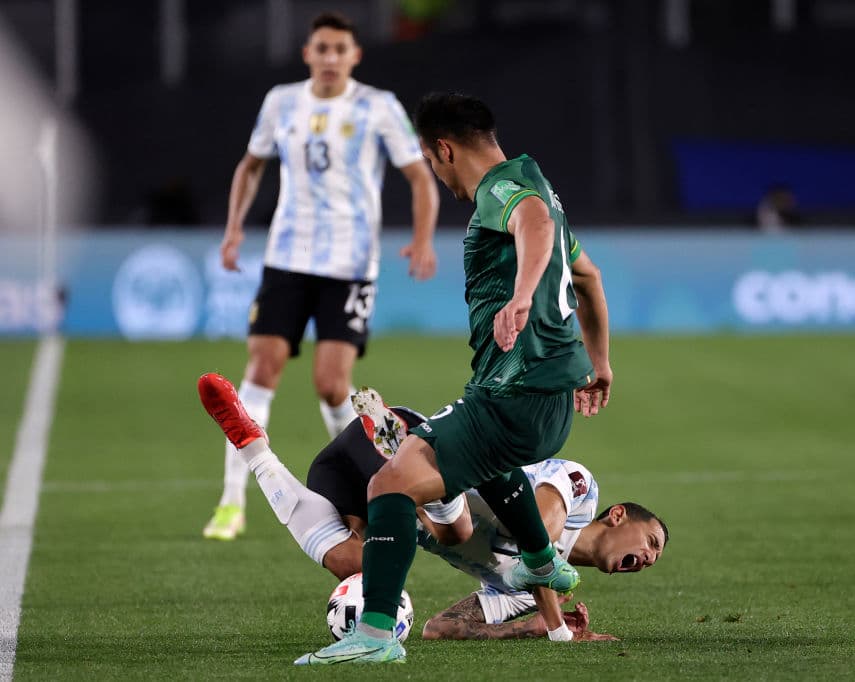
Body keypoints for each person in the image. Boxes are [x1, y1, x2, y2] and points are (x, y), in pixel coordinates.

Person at [295, 91, 614, 664]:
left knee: (390, 485)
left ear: (444, 150)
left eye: (430, 160)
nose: (437, 175)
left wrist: (521, 297)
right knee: (487, 465)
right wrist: (601, 362)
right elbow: (587, 276)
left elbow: (534, 223)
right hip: (548, 403)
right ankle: (542, 560)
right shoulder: (540, 183)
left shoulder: (502, 189)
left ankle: (374, 636)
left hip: (515, 393)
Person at [196, 374, 666, 643]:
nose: (647, 558)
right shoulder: (580, 489)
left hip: (358, 483)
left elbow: (442, 628)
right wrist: (559, 630)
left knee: (356, 566)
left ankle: (252, 448)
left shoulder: (528, 597)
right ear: (618, 515)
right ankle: (424, 487)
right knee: (457, 531)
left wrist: (530, 627)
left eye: (653, 558)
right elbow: (536, 534)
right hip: (413, 449)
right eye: (651, 542)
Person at [203, 11, 440, 542]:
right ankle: (231, 501)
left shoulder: (378, 106)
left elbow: (419, 176)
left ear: (355, 56)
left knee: (332, 386)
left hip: (350, 266)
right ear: (307, 54)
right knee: (260, 369)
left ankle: (364, 484)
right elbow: (251, 166)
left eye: (340, 49)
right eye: (322, 48)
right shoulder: (281, 102)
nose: (331, 57)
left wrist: (423, 238)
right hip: (287, 257)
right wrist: (234, 228)